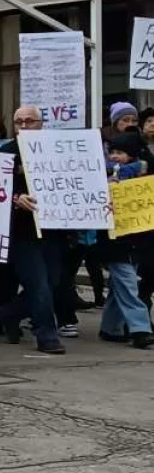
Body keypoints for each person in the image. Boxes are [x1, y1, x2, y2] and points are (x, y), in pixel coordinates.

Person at [0, 106, 67, 355]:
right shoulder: (6, 153)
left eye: (30, 122)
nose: (24, 127)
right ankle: (47, 336)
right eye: (19, 122)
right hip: (22, 232)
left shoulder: (58, 151)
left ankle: (9, 312)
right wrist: (16, 198)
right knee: (39, 285)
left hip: (52, 229)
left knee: (54, 282)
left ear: (41, 124)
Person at [98, 132, 154, 349]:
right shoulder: (104, 175)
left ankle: (111, 328)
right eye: (112, 152)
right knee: (129, 284)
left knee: (118, 285)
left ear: (131, 156)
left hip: (136, 239)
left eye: (120, 153)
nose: (115, 157)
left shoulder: (143, 178)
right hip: (114, 242)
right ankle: (141, 329)